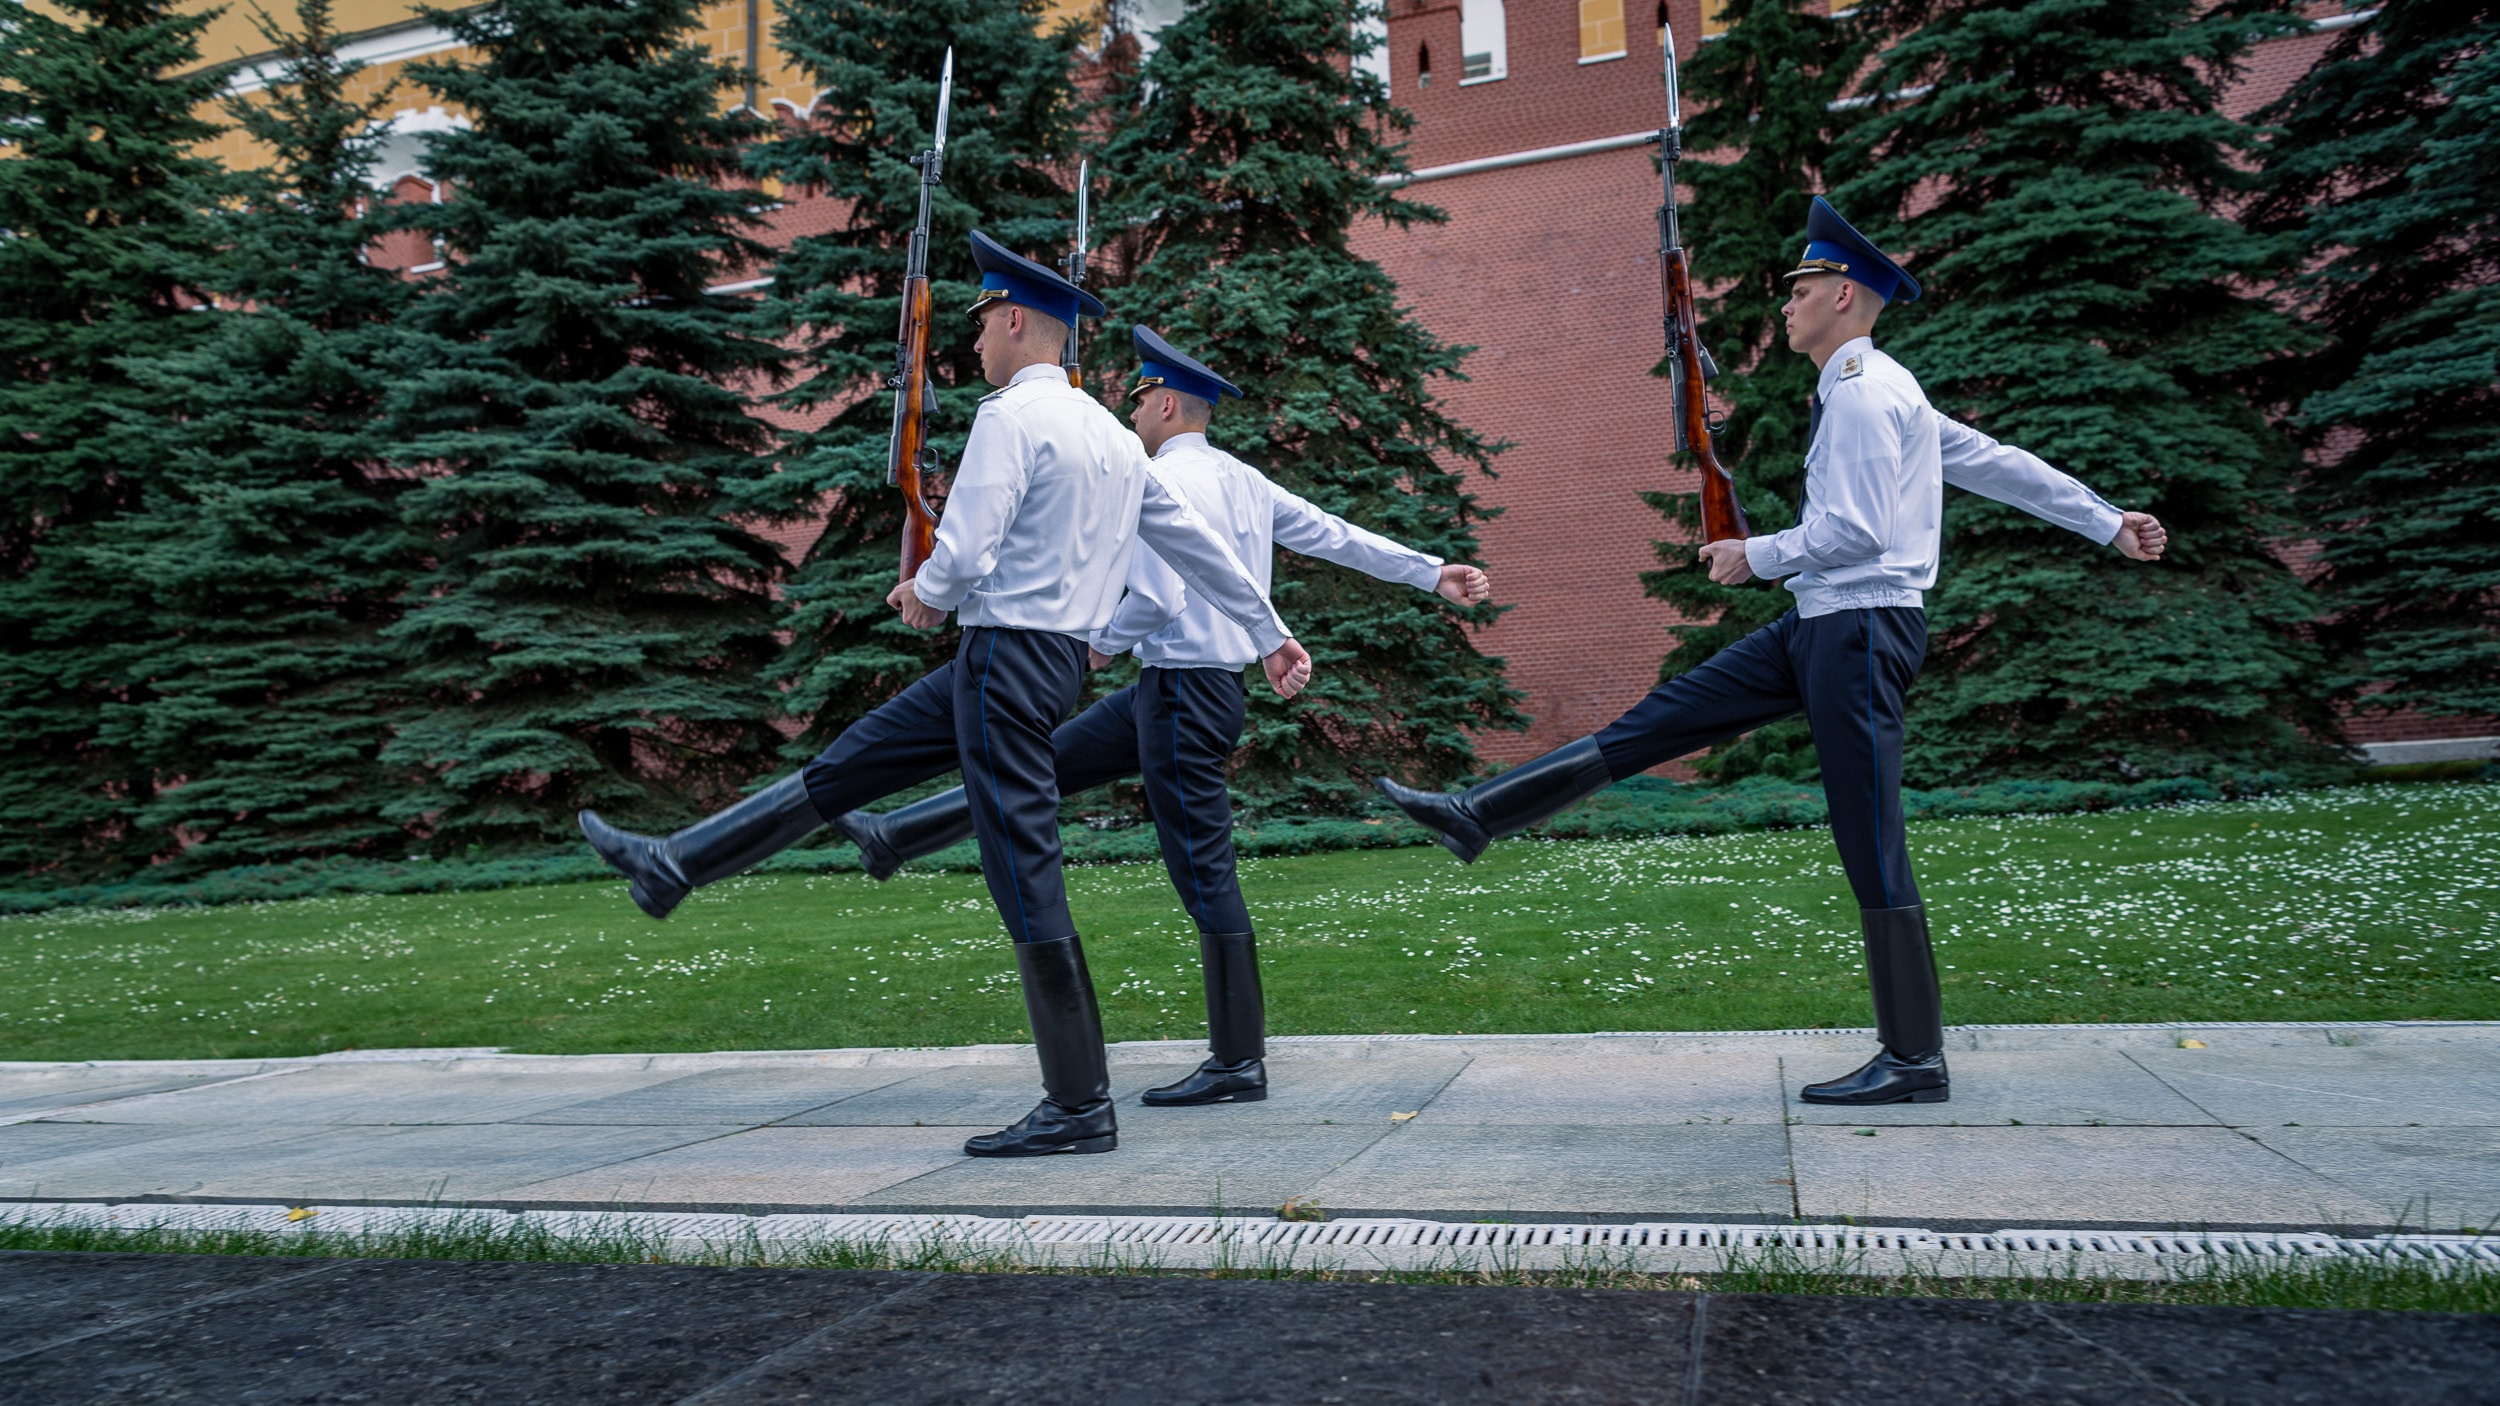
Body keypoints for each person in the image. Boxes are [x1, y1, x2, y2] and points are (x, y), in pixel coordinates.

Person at [1375, 197, 2170, 1106]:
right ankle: (1477, 814)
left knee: (1868, 835)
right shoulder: (1874, 389)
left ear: (1843, 294)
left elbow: (1858, 531)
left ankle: (1914, 1058)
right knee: (1659, 721)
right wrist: (2104, 521)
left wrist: (1756, 555)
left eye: (1799, 288)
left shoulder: (1870, 396)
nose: (1784, 304)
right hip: (1822, 626)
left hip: (1860, 626)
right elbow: (1995, 461)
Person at [579, 234, 1316, 1157]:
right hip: (1032, 666)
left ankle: (1081, 1105)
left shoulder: (1013, 419)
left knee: (1024, 872)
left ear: (1013, 320)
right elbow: (1201, 551)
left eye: (979, 324)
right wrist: (1268, 631)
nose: (972, 344)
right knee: (848, 766)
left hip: (1005, 659)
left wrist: (926, 596)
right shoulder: (1114, 440)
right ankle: (676, 862)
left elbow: (963, 553)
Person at [831, 325, 1492, 1107]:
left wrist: (1095, 646)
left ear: (1167, 403)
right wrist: (1426, 572)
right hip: (1181, 694)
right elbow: (1330, 534)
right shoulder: (1243, 479)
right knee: (1049, 763)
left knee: (1202, 870)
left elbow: (1160, 595)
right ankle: (897, 833)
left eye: (1140, 398)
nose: (1130, 410)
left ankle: (1238, 1062)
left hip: (1183, 693)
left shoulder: (1164, 479)